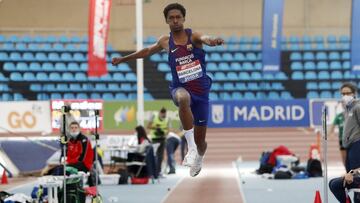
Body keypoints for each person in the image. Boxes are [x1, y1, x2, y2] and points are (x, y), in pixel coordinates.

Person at [112, 3, 224, 177]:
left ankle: (199, 156)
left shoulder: (193, 36)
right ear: (166, 20)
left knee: (202, 141)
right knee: (183, 98)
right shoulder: (165, 41)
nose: (175, 20)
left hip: (201, 92)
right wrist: (124, 59)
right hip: (180, 87)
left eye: (178, 17)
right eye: (171, 18)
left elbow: (206, 38)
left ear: (184, 18)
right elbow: (147, 51)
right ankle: (191, 148)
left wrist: (213, 41)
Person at [329, 82, 360, 202]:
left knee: (354, 180)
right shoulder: (348, 109)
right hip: (350, 147)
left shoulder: (357, 107)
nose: (345, 96)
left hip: (357, 145)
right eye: (343, 94)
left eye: (348, 93)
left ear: (354, 94)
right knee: (349, 180)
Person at [146, 107, 170, 177]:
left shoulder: (167, 119)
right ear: (160, 113)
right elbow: (148, 126)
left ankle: (158, 172)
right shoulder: (154, 117)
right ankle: (152, 172)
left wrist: (164, 134)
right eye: (162, 115)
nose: (163, 116)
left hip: (162, 139)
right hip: (155, 139)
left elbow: (168, 130)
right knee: (154, 156)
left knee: (160, 157)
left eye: (164, 115)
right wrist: (156, 128)